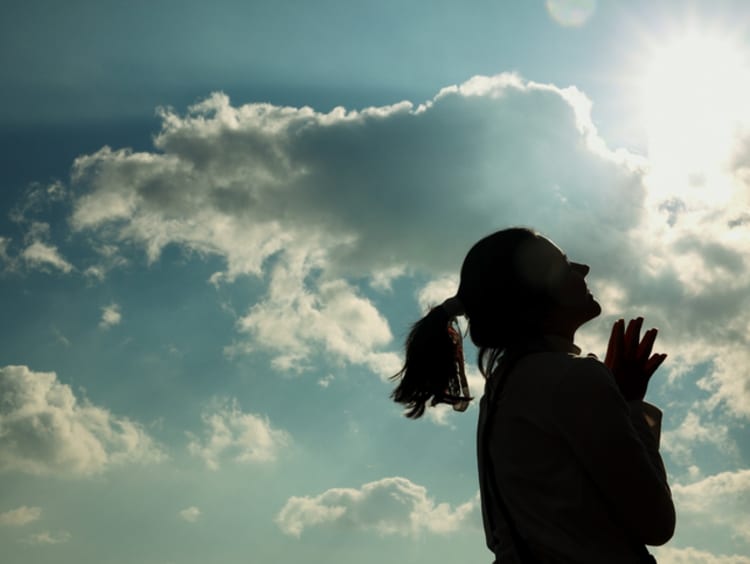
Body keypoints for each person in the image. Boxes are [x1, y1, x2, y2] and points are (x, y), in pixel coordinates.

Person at [391, 227, 675, 563]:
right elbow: (656, 523)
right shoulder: (575, 378)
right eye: (564, 265)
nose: (582, 269)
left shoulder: (501, 391)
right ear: (535, 291)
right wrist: (628, 403)